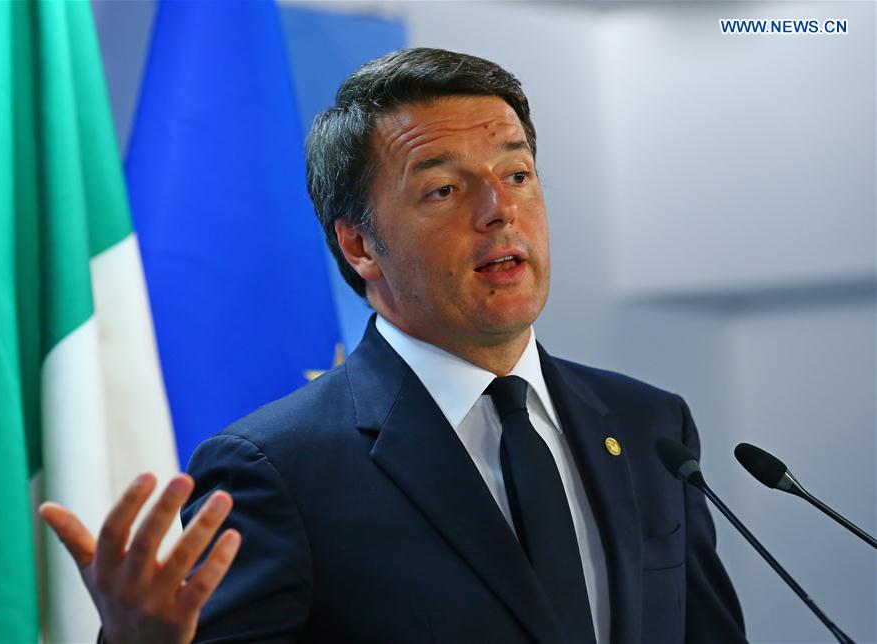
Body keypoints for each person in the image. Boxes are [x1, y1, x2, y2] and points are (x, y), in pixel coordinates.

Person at [40, 48, 745, 643]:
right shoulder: (276, 470)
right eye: (443, 189)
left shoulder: (650, 427)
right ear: (358, 245)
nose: (499, 208)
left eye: (517, 174)